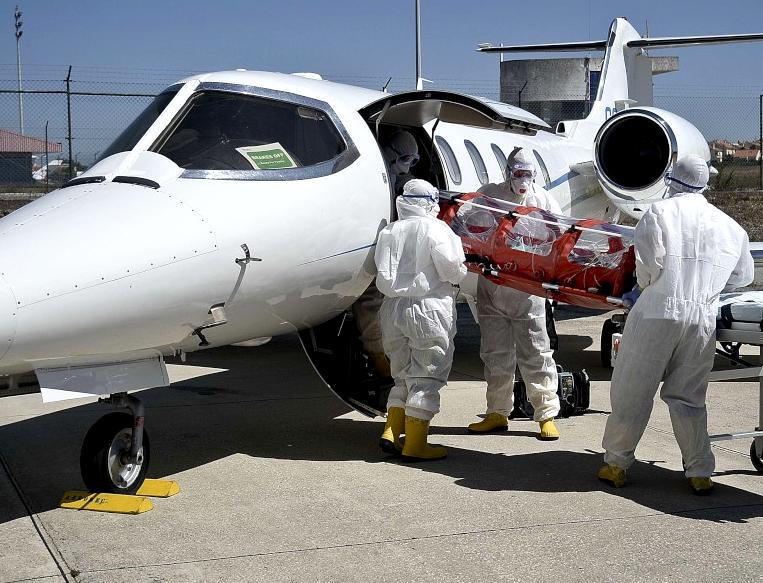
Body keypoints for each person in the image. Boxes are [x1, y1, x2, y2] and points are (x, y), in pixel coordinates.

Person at [598, 154, 754, 495]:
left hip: (657, 311)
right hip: (702, 319)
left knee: (633, 390)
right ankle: (699, 471)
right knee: (689, 397)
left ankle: (616, 464)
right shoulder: (731, 227)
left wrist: (642, 288)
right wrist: (708, 285)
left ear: (670, 179)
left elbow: (648, 265)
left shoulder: (658, 212)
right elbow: (743, 277)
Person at [466, 148, 562, 439]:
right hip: (493, 287)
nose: (522, 180)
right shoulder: (489, 194)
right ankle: (497, 412)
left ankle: (546, 414)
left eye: (527, 174)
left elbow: (560, 237)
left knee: (536, 351)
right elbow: (469, 225)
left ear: (535, 175)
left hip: (526, 290)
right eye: (517, 173)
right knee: (495, 354)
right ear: (507, 172)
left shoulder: (543, 200)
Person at [376, 179, 467, 460]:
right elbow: (451, 269)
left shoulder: (390, 230)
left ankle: (392, 432)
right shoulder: (436, 228)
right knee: (426, 375)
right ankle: (416, 445)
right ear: (429, 202)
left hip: (392, 308)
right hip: (428, 307)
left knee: (402, 374)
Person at [351, 130, 421, 376]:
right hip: (372, 250)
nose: (408, 165)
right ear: (389, 155)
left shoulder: (407, 185)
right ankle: (378, 354)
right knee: (371, 299)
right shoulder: (368, 181)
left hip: (391, 254)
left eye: (413, 160)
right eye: (405, 159)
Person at [382, 130, 420, 195]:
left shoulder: (392, 170)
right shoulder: (374, 166)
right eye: (406, 159)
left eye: (411, 161)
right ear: (390, 151)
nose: (406, 169)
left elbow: (404, 179)